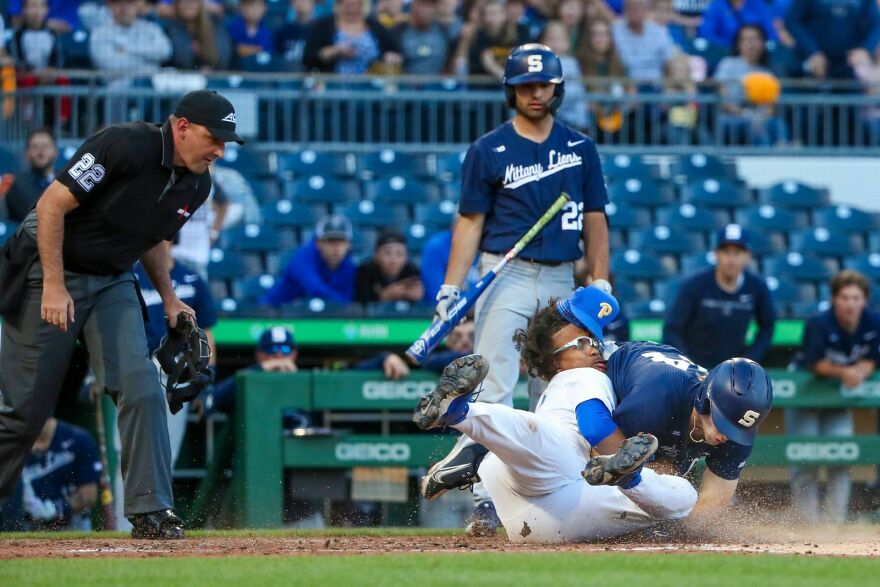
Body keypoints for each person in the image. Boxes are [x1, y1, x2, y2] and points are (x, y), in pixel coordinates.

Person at [0, 89, 244, 540]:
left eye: (227, 142)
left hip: (111, 276)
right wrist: (53, 285)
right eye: (215, 137)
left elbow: (152, 236)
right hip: (50, 263)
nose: (220, 151)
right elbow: (52, 205)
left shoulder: (198, 182)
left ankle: (151, 511)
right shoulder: (124, 144)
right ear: (183, 127)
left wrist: (169, 298)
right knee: (23, 412)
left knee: (141, 385)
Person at [421, 287, 774, 539]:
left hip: (559, 510)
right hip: (552, 475)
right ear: (706, 400)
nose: (726, 435)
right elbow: (595, 442)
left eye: (592, 340)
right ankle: (464, 417)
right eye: (583, 342)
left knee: (684, 497)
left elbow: (711, 505)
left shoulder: (739, 416)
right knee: (567, 442)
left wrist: (670, 530)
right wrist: (644, 476)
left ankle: (476, 436)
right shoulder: (638, 386)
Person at [435, 44, 611, 535]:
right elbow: (469, 223)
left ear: (557, 88)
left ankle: (547, 494)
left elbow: (596, 218)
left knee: (553, 392)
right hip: (505, 274)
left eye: (545, 84)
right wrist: (452, 285)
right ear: (510, 89)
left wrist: (599, 276)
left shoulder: (580, 147)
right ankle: (484, 499)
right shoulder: (488, 149)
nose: (536, 93)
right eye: (527, 85)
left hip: (561, 279)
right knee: (493, 386)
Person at [787, 270, 880, 523]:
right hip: (808, 391)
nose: (850, 304)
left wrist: (863, 368)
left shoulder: (873, 321)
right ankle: (807, 525)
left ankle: (834, 525)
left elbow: (874, 357)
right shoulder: (818, 322)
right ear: (834, 300)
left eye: (856, 298)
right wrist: (845, 371)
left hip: (839, 396)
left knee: (841, 456)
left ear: (864, 300)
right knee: (806, 457)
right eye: (844, 298)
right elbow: (813, 363)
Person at [135, 240, 218, 465]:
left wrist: (206, 373)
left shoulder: (190, 278)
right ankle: (125, 501)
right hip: (139, 366)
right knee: (129, 449)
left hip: (176, 372)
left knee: (166, 451)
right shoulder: (132, 275)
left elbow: (206, 332)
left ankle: (158, 501)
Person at [663, 223, 776, 370]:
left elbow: (768, 325)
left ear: (747, 256)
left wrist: (749, 360)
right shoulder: (695, 285)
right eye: (726, 251)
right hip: (694, 369)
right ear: (716, 254)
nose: (731, 258)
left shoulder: (756, 287)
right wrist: (688, 366)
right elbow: (672, 329)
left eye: (737, 252)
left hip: (733, 372)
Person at [2, 417, 101, 532]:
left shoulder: (77, 437)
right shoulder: (10, 447)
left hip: (72, 525)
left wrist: (57, 509)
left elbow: (89, 496)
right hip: (31, 529)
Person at [714, 24, 789, 146]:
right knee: (755, 125)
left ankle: (783, 156)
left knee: (778, 124)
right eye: (746, 39)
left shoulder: (768, 72)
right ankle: (763, 159)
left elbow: (771, 106)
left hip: (760, 116)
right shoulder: (728, 64)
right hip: (732, 117)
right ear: (739, 44)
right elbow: (724, 100)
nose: (751, 44)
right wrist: (746, 114)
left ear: (763, 43)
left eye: (755, 39)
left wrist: (760, 115)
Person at [261, 214, 357, 306]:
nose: (336, 248)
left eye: (341, 241)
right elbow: (314, 288)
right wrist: (346, 306)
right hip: (273, 314)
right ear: (318, 242)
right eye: (330, 241)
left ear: (349, 244)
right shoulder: (303, 258)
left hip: (322, 318)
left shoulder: (348, 266)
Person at [785, 0, 880, 80]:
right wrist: (812, 51)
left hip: (849, 66)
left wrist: (866, 49)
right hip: (815, 64)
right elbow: (792, 20)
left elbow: (876, 23)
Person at [302, 0, 402, 74]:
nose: (352, 9)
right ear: (339, 5)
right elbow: (308, 57)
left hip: (370, 89)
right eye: (347, 5)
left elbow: (397, 52)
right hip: (332, 90)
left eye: (356, 4)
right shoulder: (323, 25)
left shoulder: (375, 26)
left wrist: (390, 57)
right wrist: (335, 51)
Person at [89, 0, 173, 73]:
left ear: (136, 5)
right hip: (118, 87)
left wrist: (127, 49)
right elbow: (110, 65)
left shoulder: (151, 28)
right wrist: (149, 62)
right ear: (110, 6)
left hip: (151, 87)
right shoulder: (100, 33)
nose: (124, 8)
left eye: (129, 3)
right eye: (119, 3)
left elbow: (165, 52)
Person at [612, 0, 680, 83]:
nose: (635, 11)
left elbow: (669, 60)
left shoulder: (659, 31)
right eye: (631, 7)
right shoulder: (615, 30)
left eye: (639, 7)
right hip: (626, 85)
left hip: (656, 86)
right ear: (624, 10)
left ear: (646, 10)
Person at [1, 128, 57, 223]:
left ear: (55, 152)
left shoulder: (65, 182)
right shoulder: (15, 184)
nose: (40, 151)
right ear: (27, 153)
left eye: (45, 146)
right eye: (35, 147)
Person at [354, 227, 423, 304]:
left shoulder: (412, 272)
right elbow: (360, 305)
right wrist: (384, 296)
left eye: (399, 253)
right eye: (387, 253)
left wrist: (417, 297)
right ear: (376, 255)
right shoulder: (365, 271)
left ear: (406, 256)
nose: (393, 259)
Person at [161, 0, 234, 71]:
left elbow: (222, 59)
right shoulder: (170, 30)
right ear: (177, 5)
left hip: (213, 78)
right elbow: (178, 60)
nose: (189, 4)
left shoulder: (216, 28)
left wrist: (210, 69)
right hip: (181, 78)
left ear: (201, 5)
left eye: (193, 1)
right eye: (184, 1)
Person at [395, 0, 454, 75]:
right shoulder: (398, 31)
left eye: (429, 6)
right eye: (422, 5)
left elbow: (450, 65)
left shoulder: (443, 31)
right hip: (406, 83)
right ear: (413, 5)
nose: (426, 10)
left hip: (436, 83)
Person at [7, 0, 63, 72]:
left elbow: (57, 60)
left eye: (41, 6)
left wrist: (50, 70)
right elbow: (17, 60)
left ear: (47, 9)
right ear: (23, 9)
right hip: (26, 78)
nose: (37, 11)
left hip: (50, 76)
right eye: (33, 6)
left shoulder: (52, 33)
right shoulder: (17, 34)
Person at [697, 0, 776, 49]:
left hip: (757, 53)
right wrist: (733, 48)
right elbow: (706, 33)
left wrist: (758, 46)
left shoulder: (757, 3)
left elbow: (770, 31)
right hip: (726, 53)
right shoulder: (717, 5)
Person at [275, 0, 315, 71]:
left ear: (313, 3)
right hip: (288, 74)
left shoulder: (320, 30)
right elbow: (277, 59)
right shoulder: (282, 31)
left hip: (311, 73)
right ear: (292, 3)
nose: (301, 3)